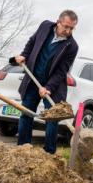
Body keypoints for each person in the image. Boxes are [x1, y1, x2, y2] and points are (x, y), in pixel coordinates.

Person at [12, 10, 79, 154]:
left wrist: (48, 87)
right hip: (33, 79)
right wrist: (24, 55)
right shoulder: (45, 27)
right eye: (65, 26)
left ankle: (49, 153)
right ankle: (23, 149)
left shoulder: (72, 46)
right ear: (58, 21)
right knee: (26, 113)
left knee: (52, 119)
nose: (68, 31)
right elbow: (32, 42)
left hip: (53, 87)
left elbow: (62, 71)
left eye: (71, 28)